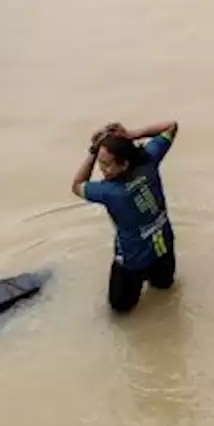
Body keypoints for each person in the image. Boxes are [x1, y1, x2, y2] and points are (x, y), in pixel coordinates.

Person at [72, 120, 180, 314]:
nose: (102, 171)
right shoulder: (148, 161)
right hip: (163, 248)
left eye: (106, 165)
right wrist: (132, 134)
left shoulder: (111, 192)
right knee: (165, 294)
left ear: (124, 164)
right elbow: (171, 126)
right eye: (100, 164)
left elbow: (77, 185)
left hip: (132, 263)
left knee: (120, 314)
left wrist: (92, 151)